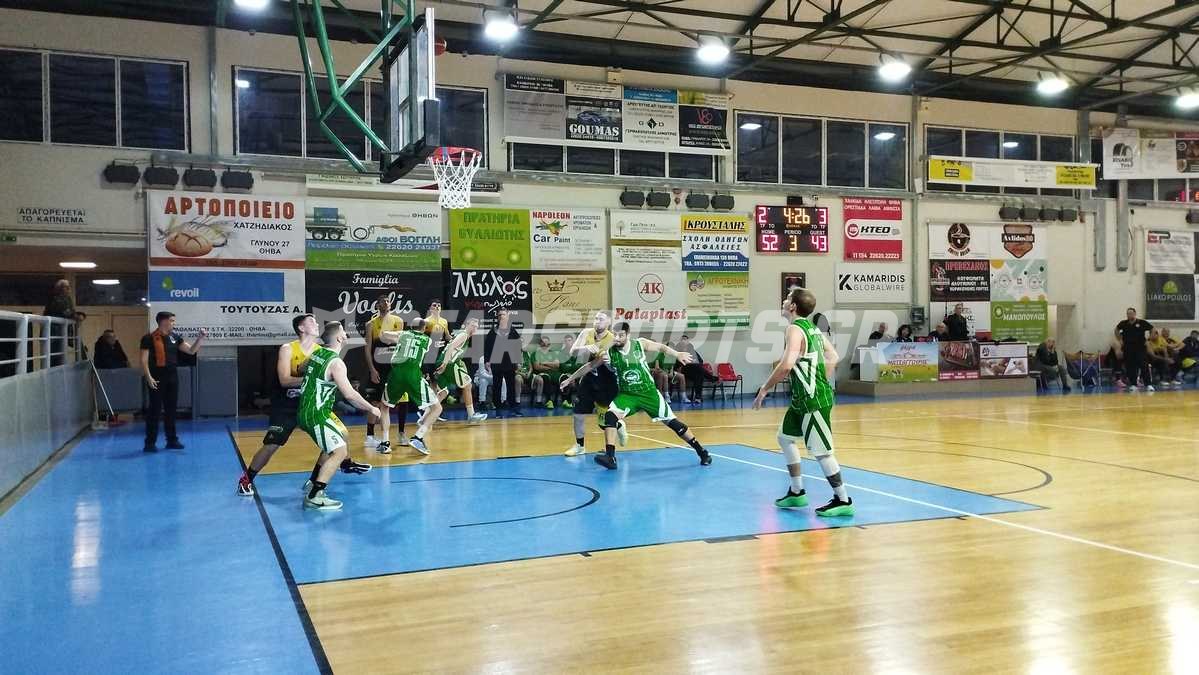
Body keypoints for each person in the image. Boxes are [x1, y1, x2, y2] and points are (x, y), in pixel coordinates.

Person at [237, 314, 371, 496]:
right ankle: (246, 480)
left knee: (340, 434)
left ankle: (318, 479)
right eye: (311, 321)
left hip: (311, 404)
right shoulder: (288, 348)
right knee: (272, 445)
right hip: (287, 405)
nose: (316, 323)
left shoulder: (320, 351)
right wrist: (314, 377)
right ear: (301, 328)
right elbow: (285, 380)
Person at [752, 288, 854, 518]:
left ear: (793, 307)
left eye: (788, 298)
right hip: (801, 399)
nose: (784, 300)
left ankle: (843, 499)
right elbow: (833, 356)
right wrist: (819, 377)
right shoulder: (813, 329)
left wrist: (764, 389)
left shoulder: (795, 329)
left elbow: (787, 364)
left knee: (822, 453)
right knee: (785, 437)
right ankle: (797, 492)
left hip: (813, 399)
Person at [560, 323, 711, 470]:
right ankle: (610, 457)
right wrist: (570, 379)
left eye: (621, 335)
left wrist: (677, 354)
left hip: (648, 393)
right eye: (615, 335)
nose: (617, 338)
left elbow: (661, 347)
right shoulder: (609, 352)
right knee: (609, 416)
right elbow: (589, 366)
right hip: (628, 395)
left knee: (674, 424)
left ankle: (702, 452)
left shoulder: (639, 344)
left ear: (628, 335)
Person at [296, 322, 381, 510]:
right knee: (339, 451)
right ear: (340, 338)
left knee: (341, 435)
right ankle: (315, 495)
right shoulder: (336, 363)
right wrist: (371, 409)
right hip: (316, 413)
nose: (345, 333)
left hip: (309, 409)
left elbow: (301, 368)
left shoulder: (317, 353)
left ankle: (314, 481)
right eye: (343, 330)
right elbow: (349, 394)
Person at [138, 312, 204, 452]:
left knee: (171, 410)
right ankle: (150, 443)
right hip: (156, 377)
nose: (174, 323)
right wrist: (148, 377)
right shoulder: (148, 338)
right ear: (163, 322)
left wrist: (200, 338)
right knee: (154, 410)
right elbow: (143, 360)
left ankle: (172, 440)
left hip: (172, 377)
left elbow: (191, 351)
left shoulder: (175, 337)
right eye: (172, 320)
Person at [378, 319, 445, 455]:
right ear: (424, 328)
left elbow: (384, 334)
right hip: (413, 374)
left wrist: (391, 336)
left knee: (384, 407)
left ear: (410, 326)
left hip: (396, 374)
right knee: (437, 408)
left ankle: (385, 443)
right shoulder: (427, 340)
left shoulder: (403, 334)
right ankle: (418, 437)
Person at [563, 311, 620, 456]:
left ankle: (616, 434)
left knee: (605, 422)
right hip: (589, 378)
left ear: (609, 322)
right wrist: (586, 348)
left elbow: (598, 364)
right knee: (578, 414)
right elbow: (573, 352)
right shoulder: (586, 333)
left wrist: (609, 362)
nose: (597, 321)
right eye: (595, 318)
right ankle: (580, 446)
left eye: (601, 319)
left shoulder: (613, 339)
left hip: (607, 382)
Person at [425, 317, 488, 437]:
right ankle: (471, 415)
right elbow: (450, 347)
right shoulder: (463, 335)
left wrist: (458, 363)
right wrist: (444, 364)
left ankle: (425, 416)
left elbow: (455, 351)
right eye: (472, 325)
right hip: (448, 364)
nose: (474, 328)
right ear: (466, 325)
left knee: (442, 393)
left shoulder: (464, 336)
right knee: (467, 385)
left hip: (445, 362)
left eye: (476, 326)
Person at [364, 294, 408, 451]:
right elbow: (367, 349)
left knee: (403, 399)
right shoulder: (371, 324)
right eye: (383, 301)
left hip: (395, 367)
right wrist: (372, 369)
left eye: (388, 301)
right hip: (378, 367)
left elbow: (401, 344)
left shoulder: (398, 321)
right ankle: (370, 436)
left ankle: (401, 433)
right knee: (376, 402)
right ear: (377, 305)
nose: (386, 303)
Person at [483, 309, 524, 418]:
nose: (501, 316)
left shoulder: (513, 331)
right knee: (497, 386)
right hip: (496, 363)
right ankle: (498, 409)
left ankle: (513, 408)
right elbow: (487, 347)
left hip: (510, 363)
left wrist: (518, 361)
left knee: (511, 387)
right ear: (498, 317)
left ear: (508, 316)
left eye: (504, 314)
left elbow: (518, 347)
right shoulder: (493, 331)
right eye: (500, 314)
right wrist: (487, 361)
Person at [1116, 308, 1153, 391]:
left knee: (1144, 365)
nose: (1129, 315)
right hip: (1128, 348)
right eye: (1128, 313)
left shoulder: (1141, 322)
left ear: (1135, 314)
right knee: (1130, 366)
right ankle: (1133, 384)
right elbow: (1116, 330)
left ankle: (1148, 384)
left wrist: (1148, 340)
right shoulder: (1123, 323)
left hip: (1140, 348)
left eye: (1131, 313)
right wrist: (1120, 339)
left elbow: (1152, 329)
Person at [44, 279, 76, 366]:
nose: (68, 289)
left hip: (62, 331)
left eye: (69, 287)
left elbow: (71, 311)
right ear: (60, 288)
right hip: (54, 332)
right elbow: (64, 311)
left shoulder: (68, 299)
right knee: (55, 356)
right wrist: (75, 315)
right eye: (66, 287)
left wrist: (76, 314)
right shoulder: (54, 298)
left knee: (61, 356)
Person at [675, 335, 712, 404]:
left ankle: (698, 397)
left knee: (699, 375)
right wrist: (685, 362)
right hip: (683, 370)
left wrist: (693, 361)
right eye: (683, 340)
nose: (684, 341)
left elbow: (701, 361)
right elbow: (676, 363)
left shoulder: (691, 350)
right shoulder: (677, 350)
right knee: (698, 369)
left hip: (693, 371)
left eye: (685, 340)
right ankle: (711, 378)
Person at [530, 336, 561, 409]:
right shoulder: (535, 354)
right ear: (540, 344)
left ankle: (564, 400)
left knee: (562, 378)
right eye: (544, 343)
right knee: (546, 377)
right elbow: (537, 367)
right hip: (541, 373)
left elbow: (557, 365)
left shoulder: (553, 353)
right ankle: (548, 400)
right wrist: (551, 366)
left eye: (547, 343)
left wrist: (544, 363)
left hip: (554, 373)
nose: (546, 345)